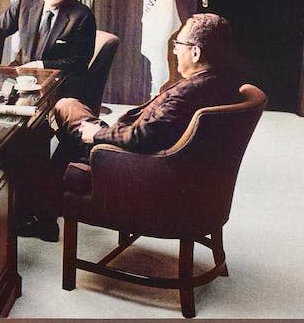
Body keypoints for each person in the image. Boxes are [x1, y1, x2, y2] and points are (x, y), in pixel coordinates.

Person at [19, 13, 243, 242]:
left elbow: (142, 136)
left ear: (195, 52)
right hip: (162, 161)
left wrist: (97, 134)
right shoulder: (222, 81)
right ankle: (45, 206)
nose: (175, 50)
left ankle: (36, 207)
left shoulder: (187, 94)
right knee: (68, 107)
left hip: (134, 164)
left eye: (178, 44)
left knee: (60, 118)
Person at [0, 0, 96, 99]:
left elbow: (79, 62)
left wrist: (41, 65)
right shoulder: (25, 3)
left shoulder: (82, 15)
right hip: (22, 77)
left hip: (62, 84)